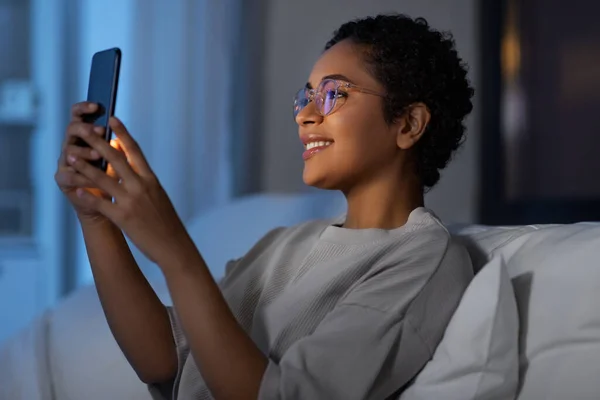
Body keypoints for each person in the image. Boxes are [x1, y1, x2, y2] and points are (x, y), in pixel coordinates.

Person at [54, 13, 475, 400]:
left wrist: (175, 250)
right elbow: (165, 360)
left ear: (408, 124)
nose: (304, 115)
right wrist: (95, 217)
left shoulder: (422, 258)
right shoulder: (284, 244)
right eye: (306, 96)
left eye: (333, 94)